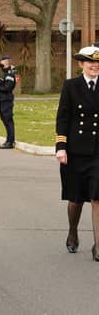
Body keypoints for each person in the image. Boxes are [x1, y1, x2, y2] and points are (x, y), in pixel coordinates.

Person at [55, 45, 99, 260]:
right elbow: (63, 118)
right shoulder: (71, 86)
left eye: (98, 63)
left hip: (98, 152)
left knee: (98, 198)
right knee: (76, 198)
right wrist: (61, 147)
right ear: (81, 64)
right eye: (90, 62)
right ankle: (73, 231)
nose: (95, 66)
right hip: (75, 151)